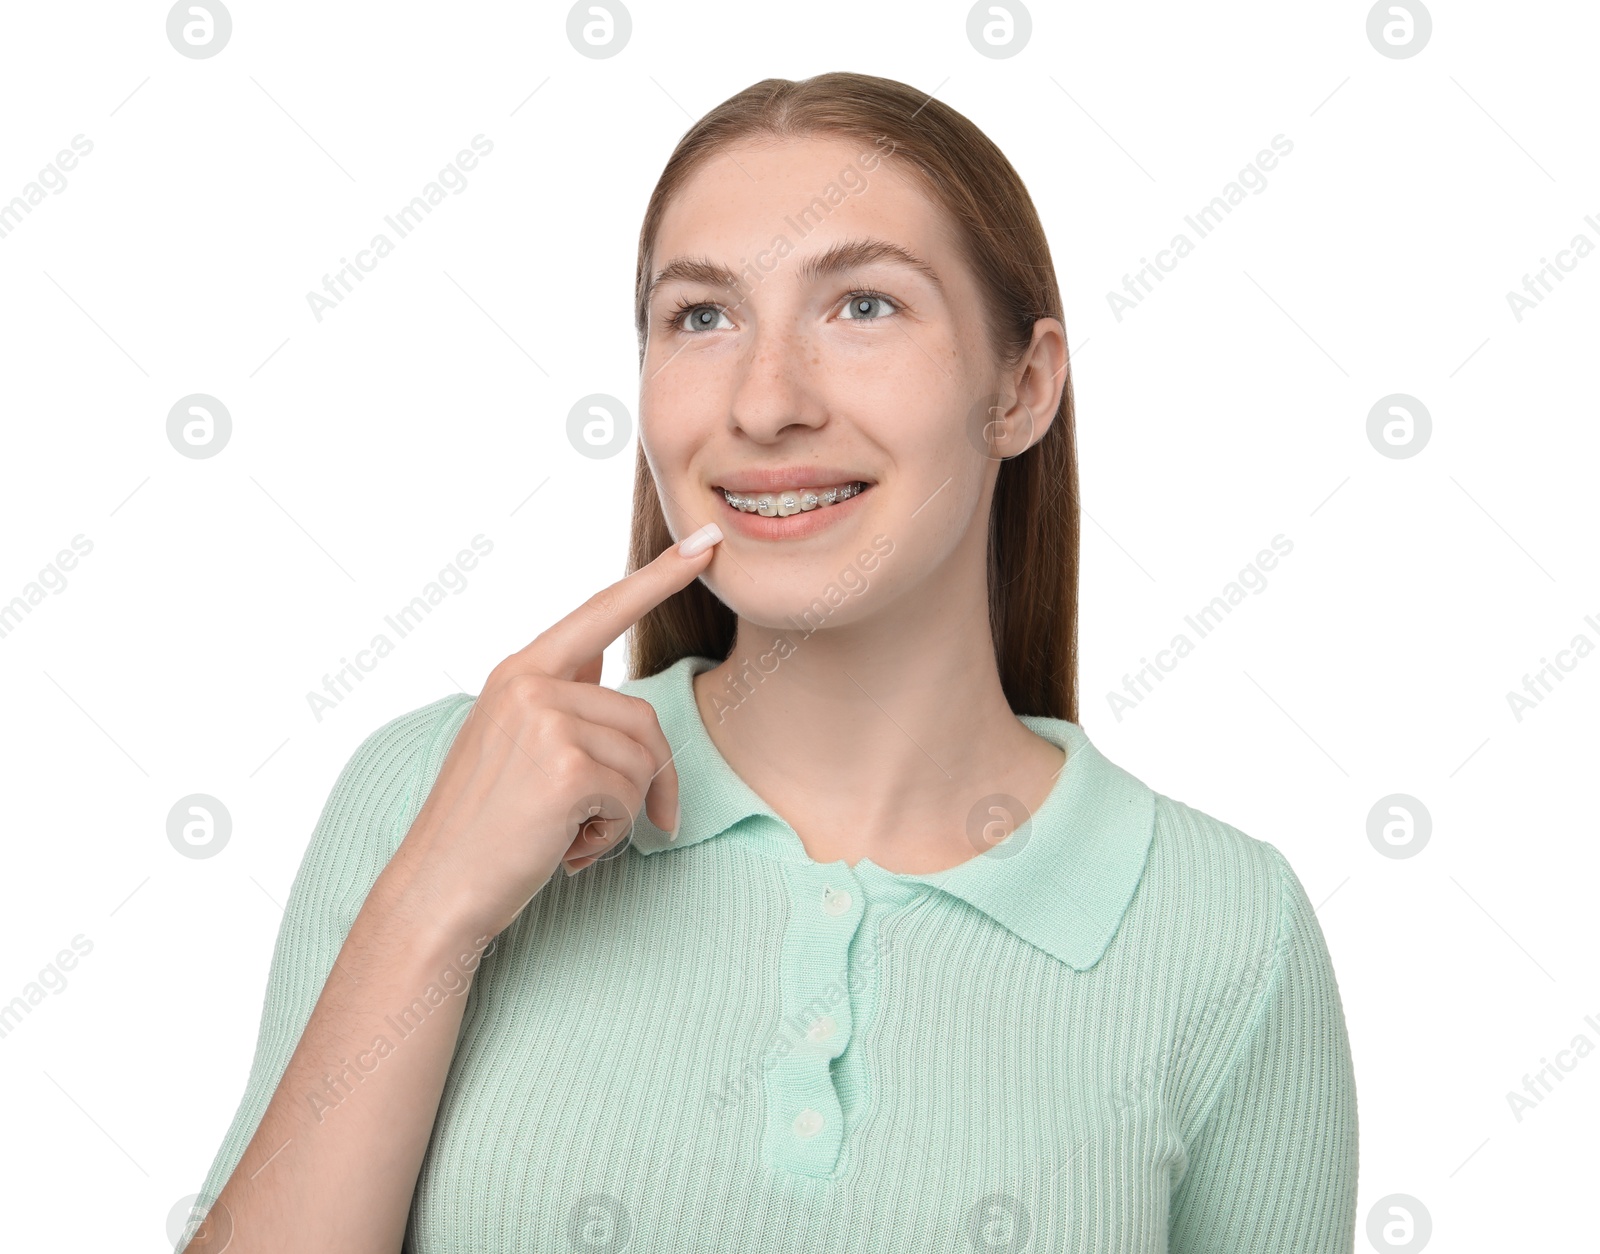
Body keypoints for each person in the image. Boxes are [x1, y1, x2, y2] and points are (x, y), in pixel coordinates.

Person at [178, 71, 1358, 1253]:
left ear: (1022, 386)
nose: (765, 401)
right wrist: (433, 906)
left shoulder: (1224, 932)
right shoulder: (439, 786)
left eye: (862, 306)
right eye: (701, 317)